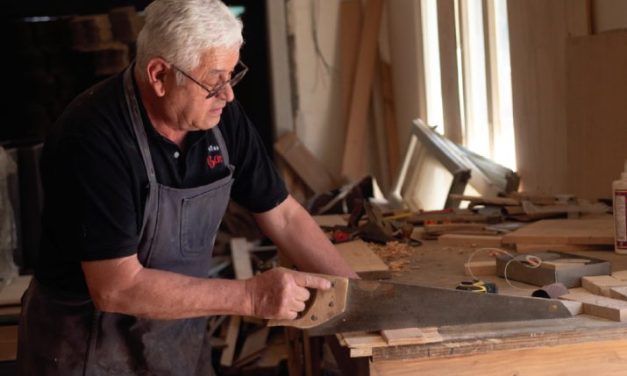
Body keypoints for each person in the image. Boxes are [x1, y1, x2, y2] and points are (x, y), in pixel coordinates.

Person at [17, 0, 357, 374]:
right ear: (160, 75)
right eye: (214, 81)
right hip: (88, 347)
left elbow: (284, 215)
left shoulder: (219, 118)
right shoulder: (94, 138)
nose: (228, 95)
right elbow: (116, 287)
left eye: (232, 75)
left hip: (176, 335)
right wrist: (251, 296)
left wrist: (356, 296)